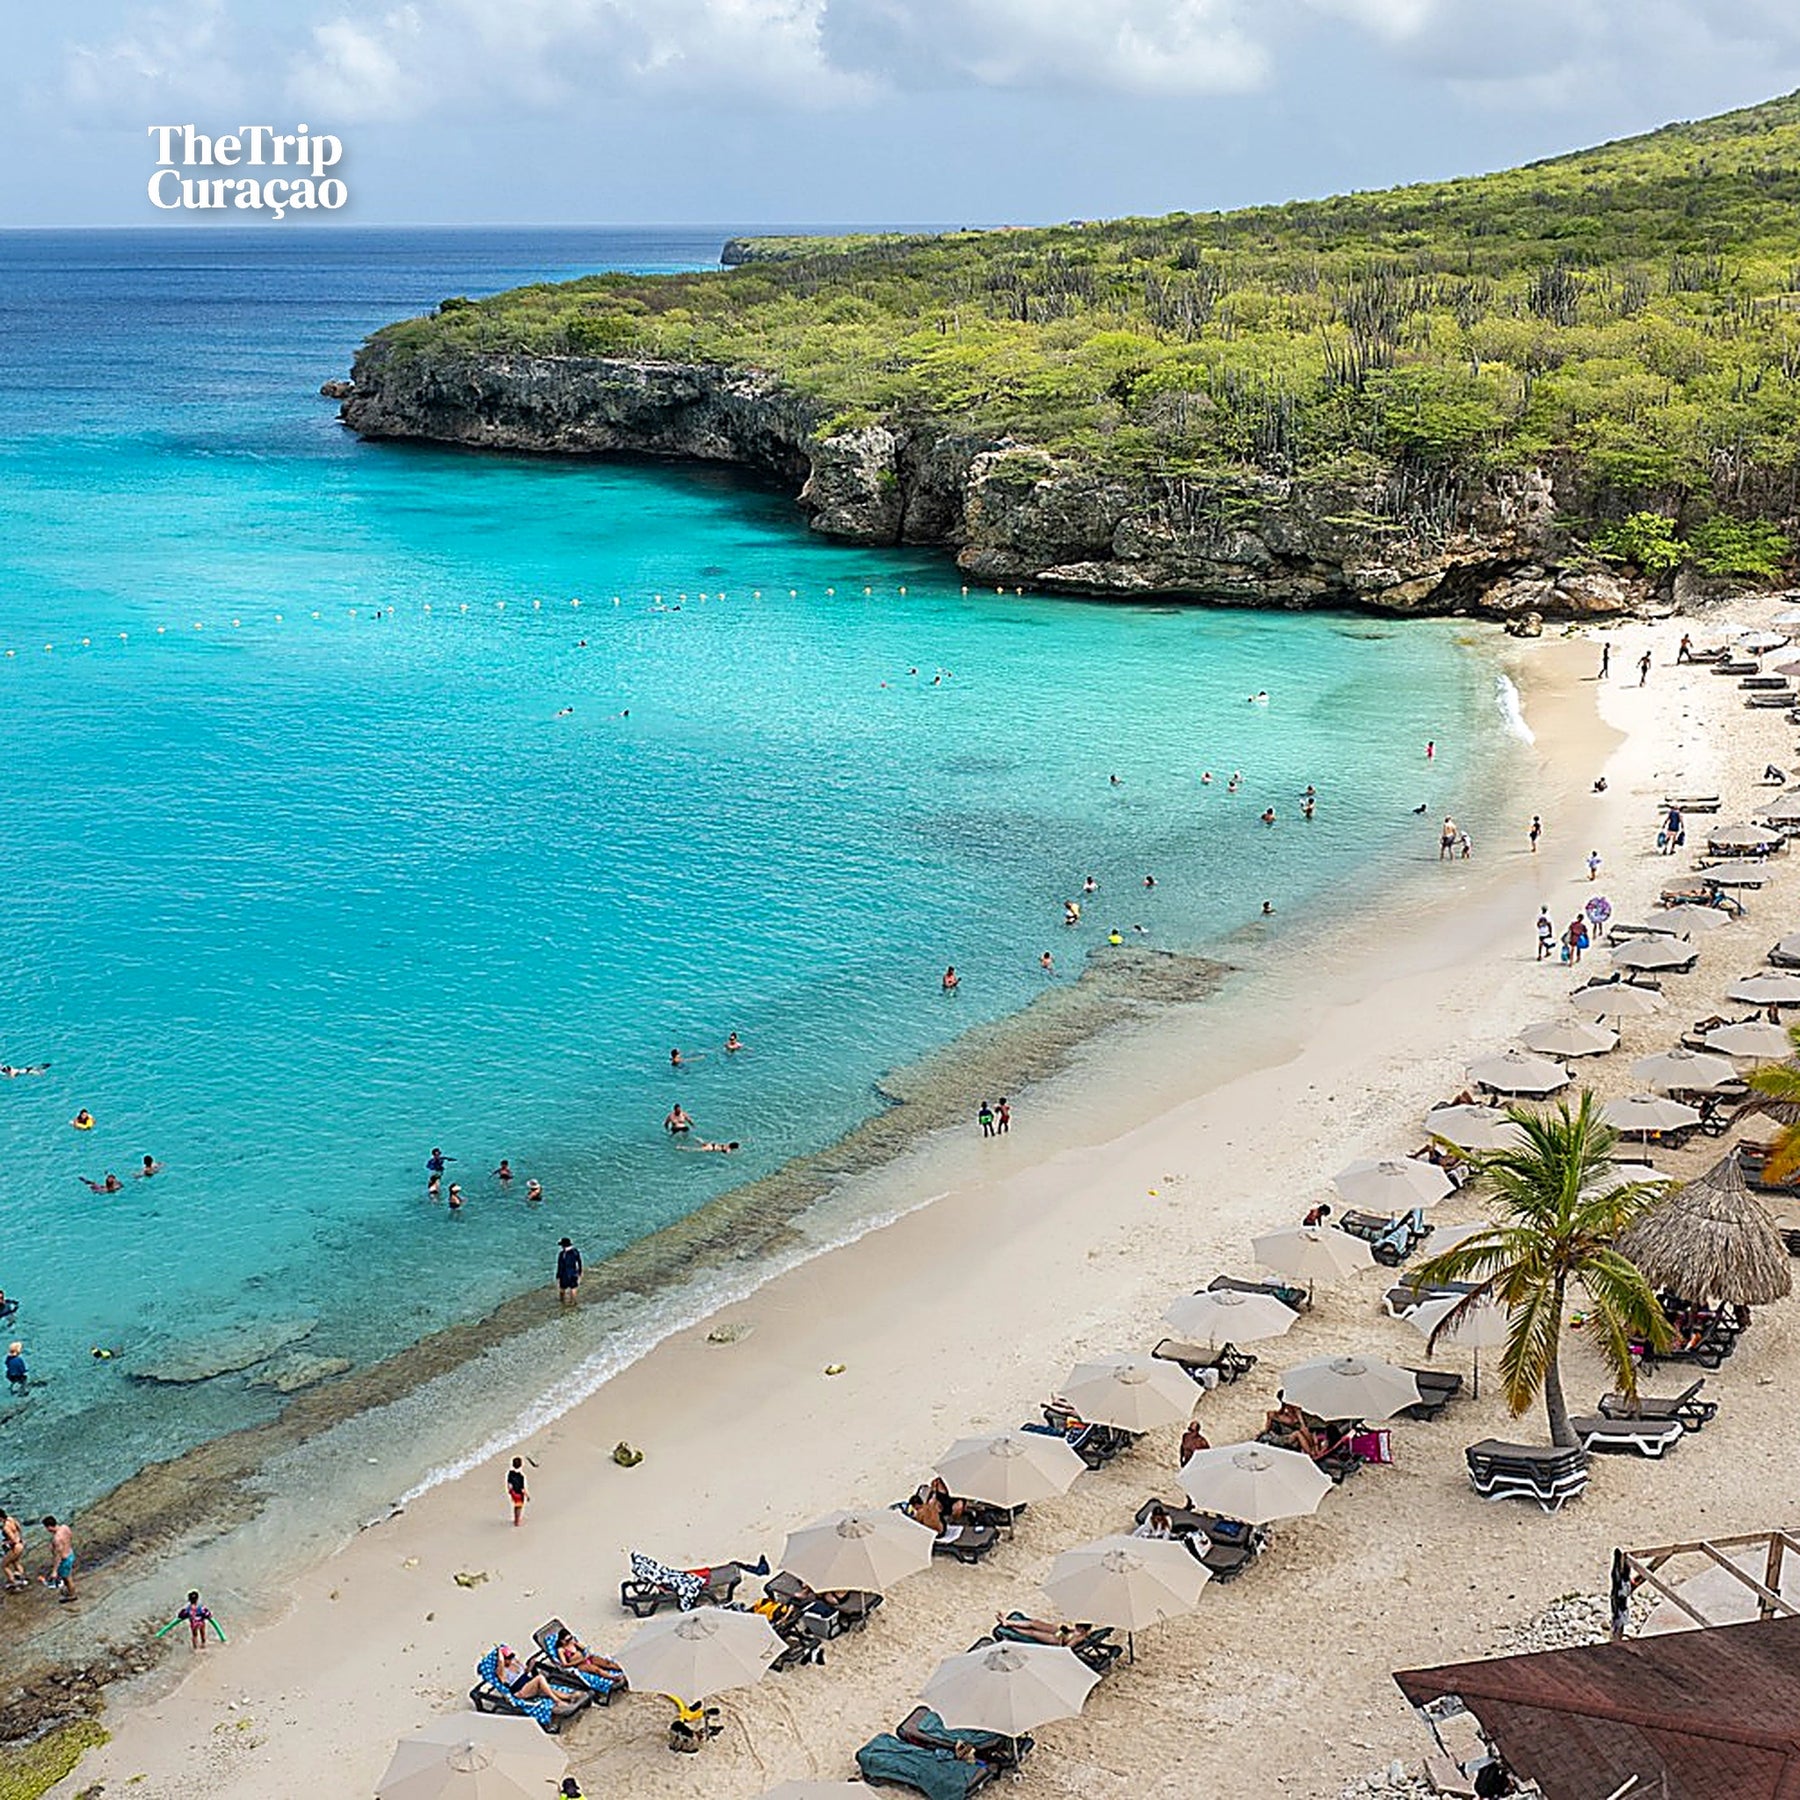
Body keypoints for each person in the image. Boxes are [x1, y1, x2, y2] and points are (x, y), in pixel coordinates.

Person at [41, 1516, 74, 1602]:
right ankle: (70, 1591)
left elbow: (58, 1556)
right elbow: (70, 1535)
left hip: (65, 1560)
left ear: (49, 1527)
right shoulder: (65, 1527)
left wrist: (54, 1571)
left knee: (67, 1578)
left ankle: (71, 1595)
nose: (47, 1530)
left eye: (46, 1527)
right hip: (70, 1553)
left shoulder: (57, 1539)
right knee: (67, 1576)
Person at [1, 1509, 25, 1591]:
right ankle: (22, 1579)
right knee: (15, 1562)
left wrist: (4, 1543)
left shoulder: (5, 1527)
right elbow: (19, 1527)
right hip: (20, 1545)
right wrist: (20, 1537)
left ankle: (14, 1583)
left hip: (15, 1547)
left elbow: (13, 1540)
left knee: (4, 1565)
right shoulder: (11, 1519)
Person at [556, 1238, 582, 1306]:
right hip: (573, 1272)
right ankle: (573, 1301)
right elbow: (579, 1262)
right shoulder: (576, 1252)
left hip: (565, 1273)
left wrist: (558, 1275)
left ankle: (562, 1301)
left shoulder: (562, 1254)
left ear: (563, 1245)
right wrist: (579, 1272)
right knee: (573, 1288)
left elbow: (560, 1265)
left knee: (562, 1288)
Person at [507, 1456, 528, 1527]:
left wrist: (510, 1491)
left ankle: (515, 1519)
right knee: (519, 1507)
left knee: (516, 1506)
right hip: (519, 1494)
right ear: (521, 1465)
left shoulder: (510, 1473)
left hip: (513, 1493)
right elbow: (522, 1488)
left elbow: (509, 1484)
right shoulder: (521, 1476)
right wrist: (527, 1495)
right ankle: (517, 1521)